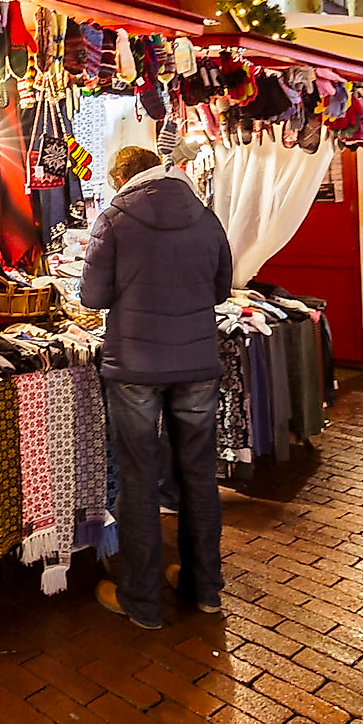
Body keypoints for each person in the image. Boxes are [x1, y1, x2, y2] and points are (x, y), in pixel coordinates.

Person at [80, 146, 232, 629]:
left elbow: (92, 295)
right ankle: (204, 588)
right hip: (196, 365)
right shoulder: (205, 218)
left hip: (136, 369)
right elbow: (221, 289)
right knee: (198, 476)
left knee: (140, 480)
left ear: (126, 177)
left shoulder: (115, 220)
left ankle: (142, 602)